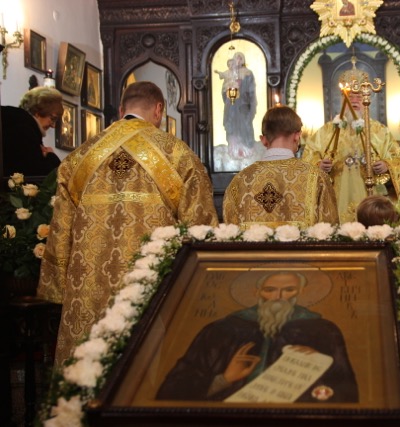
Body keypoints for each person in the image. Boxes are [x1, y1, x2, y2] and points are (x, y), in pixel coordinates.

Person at [37, 81, 219, 367]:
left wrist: (57, 286)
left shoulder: (78, 158)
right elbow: (200, 227)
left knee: (88, 371)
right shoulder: (178, 154)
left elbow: (60, 230)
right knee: (147, 368)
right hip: (151, 284)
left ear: (122, 110)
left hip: (89, 289)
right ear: (158, 110)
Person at [156, 271, 358, 402]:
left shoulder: (323, 331)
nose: (278, 297)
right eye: (270, 290)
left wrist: (318, 363)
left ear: (300, 292)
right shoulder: (220, 330)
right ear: (257, 292)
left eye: (289, 290)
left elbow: (344, 388)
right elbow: (173, 390)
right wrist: (224, 380)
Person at [302, 69, 400, 224]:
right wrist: (319, 165)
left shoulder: (379, 131)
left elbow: (398, 158)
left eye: (359, 96)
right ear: (343, 99)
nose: (355, 101)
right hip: (337, 196)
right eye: (350, 96)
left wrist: (386, 165)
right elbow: (308, 157)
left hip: (369, 195)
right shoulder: (326, 131)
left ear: (366, 99)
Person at [223, 105, 338, 227]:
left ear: (263, 140)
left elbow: (230, 233)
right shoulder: (317, 178)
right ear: (297, 136)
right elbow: (330, 231)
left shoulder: (239, 182)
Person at [2, 86, 62, 176]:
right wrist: (51, 156)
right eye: (52, 118)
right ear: (38, 112)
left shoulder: (15, 122)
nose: (53, 126)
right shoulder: (25, 131)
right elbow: (38, 174)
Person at [218, 51, 258, 160]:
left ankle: (247, 150)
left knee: (245, 124)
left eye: (240, 58)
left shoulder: (248, 73)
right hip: (231, 105)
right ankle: (233, 150)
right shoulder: (230, 73)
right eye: (237, 58)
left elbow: (251, 91)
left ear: (243, 60)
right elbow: (223, 90)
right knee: (232, 125)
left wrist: (249, 102)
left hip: (243, 104)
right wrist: (228, 90)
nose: (238, 61)